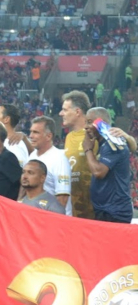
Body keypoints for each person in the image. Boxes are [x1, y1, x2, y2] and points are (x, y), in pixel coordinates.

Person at [84, 107, 134, 223]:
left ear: (102, 123)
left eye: (90, 122)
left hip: (114, 212)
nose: (85, 126)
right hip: (105, 210)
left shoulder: (112, 143)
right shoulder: (103, 143)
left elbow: (98, 172)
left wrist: (88, 150)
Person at [60, 90, 94, 219]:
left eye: (65, 110)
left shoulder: (95, 133)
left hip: (94, 211)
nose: (61, 113)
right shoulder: (68, 137)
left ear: (77, 112)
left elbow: (131, 146)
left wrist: (126, 137)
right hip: (74, 211)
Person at [27, 116, 72, 214]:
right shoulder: (32, 156)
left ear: (48, 136)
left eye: (36, 132)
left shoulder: (59, 159)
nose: (30, 136)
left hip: (53, 220)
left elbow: (62, 198)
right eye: (31, 131)